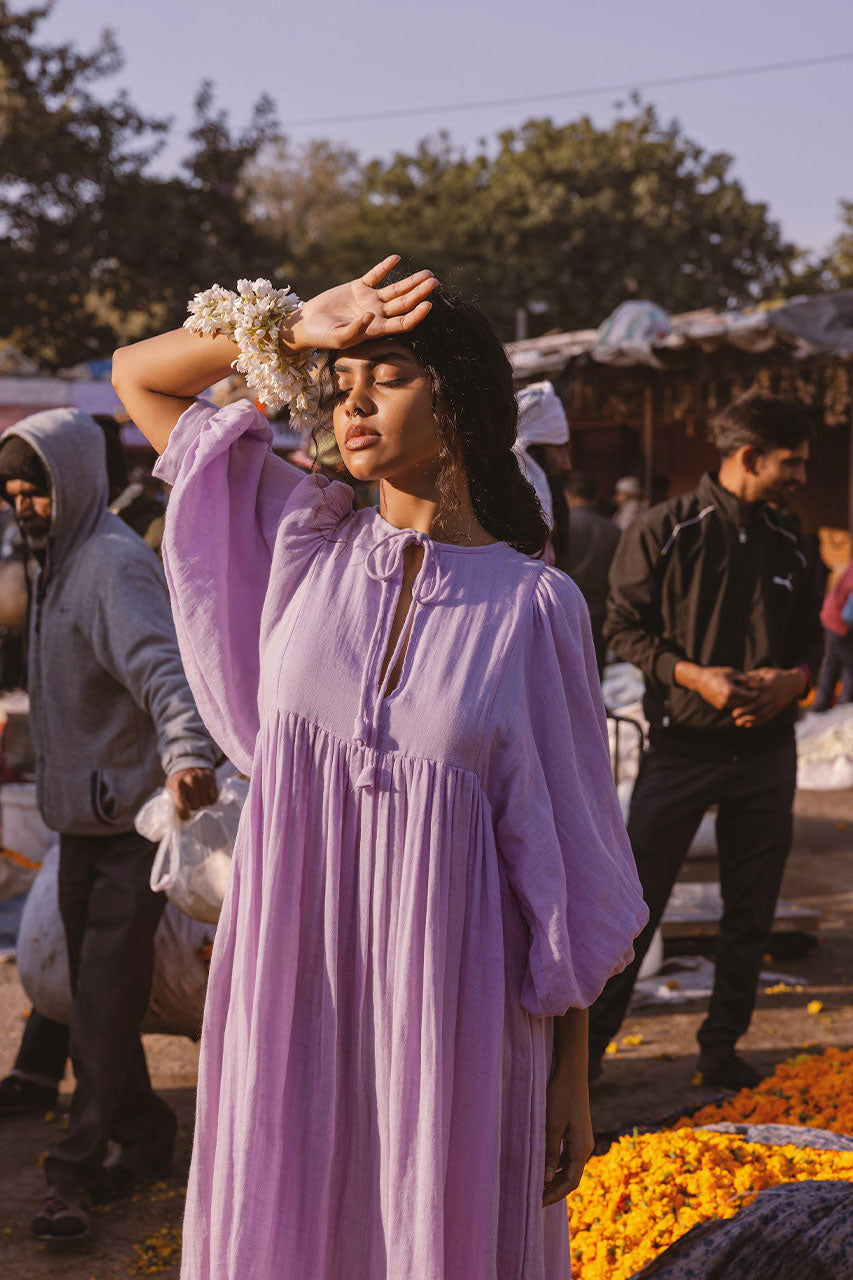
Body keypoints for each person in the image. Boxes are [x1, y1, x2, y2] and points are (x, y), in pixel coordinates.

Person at [111, 256, 647, 1279]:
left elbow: (570, 865)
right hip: (289, 990)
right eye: (340, 380)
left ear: (462, 399)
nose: (351, 398)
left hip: (452, 1015)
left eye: (388, 373)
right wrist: (298, 326)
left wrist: (572, 1076)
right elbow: (144, 376)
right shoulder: (300, 543)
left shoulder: (534, 610)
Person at [0, 415, 219, 1240]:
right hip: (81, 824)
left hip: (132, 825)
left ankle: (73, 1176)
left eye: (37, 492)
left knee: (97, 1005)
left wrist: (184, 754)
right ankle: (144, 1133)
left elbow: (164, 670)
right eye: (15, 496)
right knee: (98, 1001)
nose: (25, 508)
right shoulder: (52, 563)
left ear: (77, 483)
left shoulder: (109, 567)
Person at [588, 393, 825, 1092]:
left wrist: (794, 681)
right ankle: (588, 1058)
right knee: (632, 914)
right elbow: (623, 629)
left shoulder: (791, 540)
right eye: (792, 462)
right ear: (748, 457)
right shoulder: (666, 528)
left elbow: (812, 634)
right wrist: (697, 679)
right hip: (680, 752)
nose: (801, 476)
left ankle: (719, 1052)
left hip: (765, 757)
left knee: (748, 915)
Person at [557, 471, 621, 676]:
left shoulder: (561, 526)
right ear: (595, 496)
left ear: (569, 495)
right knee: (594, 671)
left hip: (564, 607)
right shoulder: (613, 530)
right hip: (599, 610)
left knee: (563, 672)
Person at [813, 559, 853, 712]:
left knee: (832, 662)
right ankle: (846, 707)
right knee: (850, 666)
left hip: (829, 617)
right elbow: (849, 615)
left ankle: (821, 704)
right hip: (840, 623)